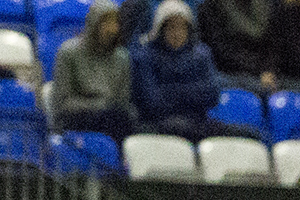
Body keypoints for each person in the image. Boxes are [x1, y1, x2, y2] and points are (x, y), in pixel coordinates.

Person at [131, 0, 263, 141]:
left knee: (249, 135)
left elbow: (212, 94)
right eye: (171, 27)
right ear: (160, 29)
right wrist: (191, 93)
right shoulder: (145, 57)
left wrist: (172, 91)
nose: (177, 33)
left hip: (198, 122)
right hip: (160, 124)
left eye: (182, 28)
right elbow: (153, 102)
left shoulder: (201, 54)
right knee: (178, 127)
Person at [51, 1, 136, 140]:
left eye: (115, 23)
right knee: (110, 118)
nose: (112, 29)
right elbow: (62, 104)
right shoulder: (68, 52)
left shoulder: (122, 57)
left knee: (127, 118)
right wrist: (99, 105)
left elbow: (122, 101)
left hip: (110, 117)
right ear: (94, 25)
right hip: (76, 118)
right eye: (106, 23)